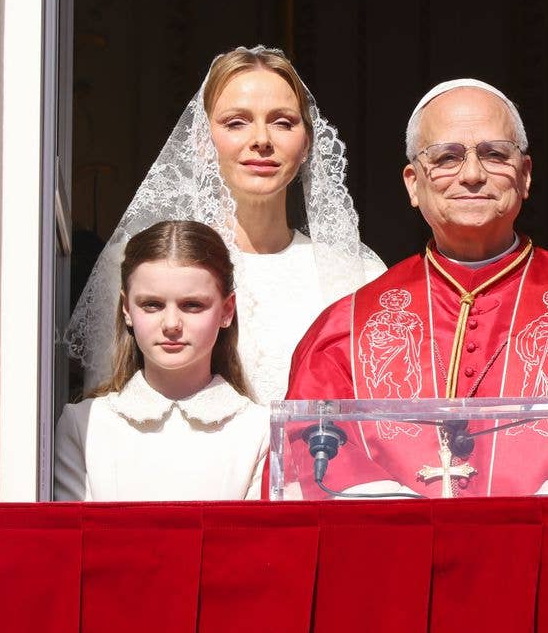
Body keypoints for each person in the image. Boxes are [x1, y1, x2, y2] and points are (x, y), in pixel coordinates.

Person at [282, 78, 548, 497]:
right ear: (412, 183)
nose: (473, 175)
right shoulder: (345, 333)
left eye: (495, 154)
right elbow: (307, 473)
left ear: (526, 175)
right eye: (446, 157)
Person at [66, 46, 385, 404]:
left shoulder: (357, 274)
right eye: (236, 122)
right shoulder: (140, 267)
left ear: (307, 143)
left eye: (283, 122)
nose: (261, 140)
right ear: (202, 141)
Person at [55, 221, 269, 501]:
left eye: (192, 305)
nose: (171, 324)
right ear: (126, 308)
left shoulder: (259, 430)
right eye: (152, 305)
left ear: (227, 310)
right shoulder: (84, 425)